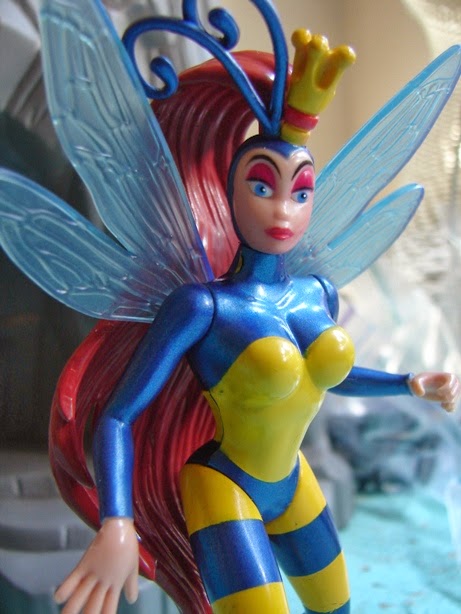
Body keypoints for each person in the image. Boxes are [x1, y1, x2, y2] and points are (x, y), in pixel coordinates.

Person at [51, 60, 460, 614]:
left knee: (336, 607)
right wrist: (117, 521)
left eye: (301, 190)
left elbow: (330, 379)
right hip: (225, 487)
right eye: (263, 185)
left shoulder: (317, 293)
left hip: (293, 481)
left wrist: (408, 383)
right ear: (228, 194)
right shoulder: (204, 306)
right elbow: (119, 416)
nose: (283, 209)